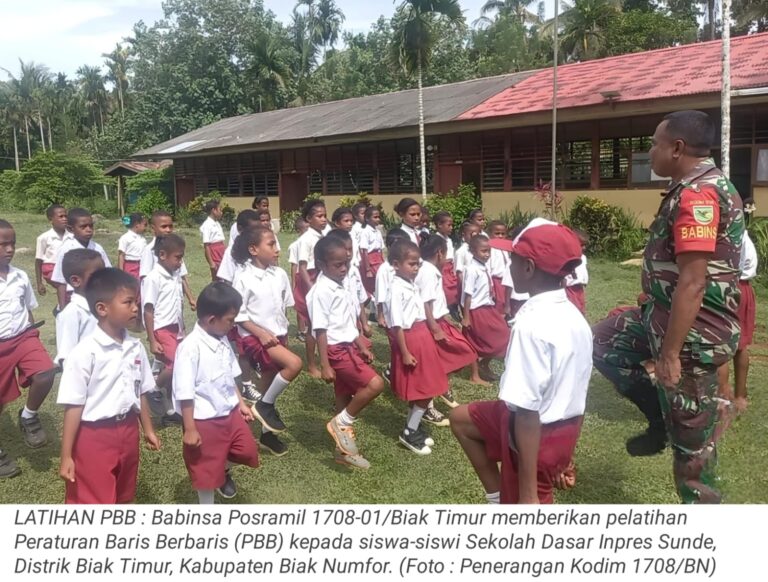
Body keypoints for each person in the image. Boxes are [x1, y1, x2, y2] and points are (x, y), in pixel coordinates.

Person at [592, 110, 744, 504]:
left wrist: (671, 355)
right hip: (661, 320)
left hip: (692, 338)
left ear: (677, 148)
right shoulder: (687, 188)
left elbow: (693, 281)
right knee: (601, 342)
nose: (650, 152)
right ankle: (660, 420)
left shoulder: (700, 195)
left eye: (654, 144)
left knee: (692, 458)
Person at [450, 221, 592, 504]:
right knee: (460, 419)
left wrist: (528, 494)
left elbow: (527, 411)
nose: (508, 265)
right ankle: (498, 497)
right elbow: (575, 392)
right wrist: (565, 452)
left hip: (534, 437)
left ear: (528, 268)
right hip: (562, 430)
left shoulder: (531, 324)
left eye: (512, 258)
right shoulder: (575, 317)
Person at [57, 268, 160, 503]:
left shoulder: (135, 347)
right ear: (102, 308)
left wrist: (148, 429)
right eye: (128, 302)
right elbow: (73, 406)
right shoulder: (85, 353)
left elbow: (141, 390)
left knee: (124, 493)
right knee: (94, 498)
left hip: (128, 430)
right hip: (94, 435)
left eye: (136, 302)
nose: (135, 308)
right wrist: (66, 456)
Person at [173, 282, 259, 503]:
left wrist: (240, 403)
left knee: (247, 450)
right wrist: (190, 429)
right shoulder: (190, 348)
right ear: (212, 320)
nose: (233, 324)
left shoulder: (221, 339)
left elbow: (229, 375)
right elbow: (184, 392)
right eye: (230, 320)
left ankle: (224, 469)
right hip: (205, 419)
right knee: (206, 472)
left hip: (229, 412)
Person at [309, 236, 385, 469]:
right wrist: (324, 365)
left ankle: (343, 451)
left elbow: (345, 323)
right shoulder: (321, 291)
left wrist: (360, 345)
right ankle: (341, 423)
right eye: (338, 265)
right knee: (375, 384)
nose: (344, 269)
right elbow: (320, 330)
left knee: (342, 396)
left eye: (346, 264)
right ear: (321, 265)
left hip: (348, 346)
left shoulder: (340, 284)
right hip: (335, 350)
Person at [232, 226, 302, 457]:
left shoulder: (279, 274)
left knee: (269, 382)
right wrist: (260, 333)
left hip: (277, 336)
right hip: (255, 338)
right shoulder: (243, 277)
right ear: (253, 249)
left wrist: (282, 334)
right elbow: (238, 315)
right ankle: (264, 406)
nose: (277, 249)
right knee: (295, 364)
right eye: (271, 244)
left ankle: (266, 433)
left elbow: (283, 308)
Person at [0, 219, 56, 479]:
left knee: (45, 372)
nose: (10, 249)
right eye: (3, 244)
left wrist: (33, 336)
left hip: (23, 337)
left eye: (12, 243)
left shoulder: (20, 276)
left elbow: (28, 309)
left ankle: (29, 416)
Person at [385, 240, 449, 455]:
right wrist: (404, 352)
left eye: (418, 264)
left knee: (428, 385)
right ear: (396, 264)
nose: (416, 268)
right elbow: (397, 325)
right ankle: (409, 431)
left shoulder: (411, 284)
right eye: (411, 264)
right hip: (411, 339)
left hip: (422, 335)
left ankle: (413, 424)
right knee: (424, 387)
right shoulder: (395, 289)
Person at [417, 235, 487, 391]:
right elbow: (425, 302)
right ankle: (437, 386)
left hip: (439, 321)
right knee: (463, 351)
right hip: (434, 323)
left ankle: (439, 385)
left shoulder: (428, 270)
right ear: (440, 253)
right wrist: (435, 328)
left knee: (461, 352)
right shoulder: (428, 272)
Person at [143, 234, 187, 427]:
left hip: (176, 328)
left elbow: (178, 304)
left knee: (175, 370)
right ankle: (154, 389)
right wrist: (152, 340)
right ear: (162, 255)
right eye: (178, 257)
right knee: (175, 365)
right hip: (162, 328)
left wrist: (182, 329)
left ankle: (172, 411)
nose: (180, 262)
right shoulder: (153, 278)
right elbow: (148, 309)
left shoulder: (175, 275)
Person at [462, 235, 511, 380]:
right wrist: (466, 316)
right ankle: (475, 374)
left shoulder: (484, 266)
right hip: (477, 310)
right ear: (473, 251)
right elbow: (468, 294)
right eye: (483, 251)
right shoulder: (472, 269)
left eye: (489, 251)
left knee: (504, 334)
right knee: (475, 342)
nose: (487, 254)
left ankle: (485, 363)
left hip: (488, 307)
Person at [720, 229, 757, 415]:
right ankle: (740, 397)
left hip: (729, 287)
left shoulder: (729, 235)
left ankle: (722, 398)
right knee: (740, 346)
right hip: (744, 288)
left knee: (719, 344)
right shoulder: (744, 235)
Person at [51, 208, 112, 310]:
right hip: (73, 296)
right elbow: (60, 280)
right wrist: (62, 307)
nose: (88, 229)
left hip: (96, 295)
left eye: (91, 226)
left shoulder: (98, 248)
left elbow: (107, 273)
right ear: (70, 229)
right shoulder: (67, 249)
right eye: (83, 227)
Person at [294, 199, 328, 378]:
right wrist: (312, 290)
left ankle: (324, 358)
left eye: (325, 215)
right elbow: (302, 267)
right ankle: (312, 365)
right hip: (310, 281)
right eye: (319, 216)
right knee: (313, 325)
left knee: (323, 322)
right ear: (308, 219)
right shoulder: (306, 239)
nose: (324, 219)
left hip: (320, 278)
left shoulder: (322, 236)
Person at [54, 249, 104, 367]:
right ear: (76, 281)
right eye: (96, 275)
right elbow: (67, 357)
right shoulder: (72, 313)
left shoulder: (105, 307)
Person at [139, 210, 196, 311]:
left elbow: (182, 276)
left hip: (175, 300)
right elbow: (145, 279)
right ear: (153, 228)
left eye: (170, 226)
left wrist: (191, 298)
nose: (168, 230)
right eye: (164, 226)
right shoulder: (149, 250)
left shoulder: (175, 249)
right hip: (160, 304)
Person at [374, 228, 410, 329]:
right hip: (391, 312)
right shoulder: (384, 269)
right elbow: (380, 293)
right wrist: (380, 316)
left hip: (407, 309)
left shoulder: (408, 266)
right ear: (389, 247)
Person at [217, 209, 261, 285]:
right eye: (252, 230)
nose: (256, 233)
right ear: (240, 228)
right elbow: (227, 281)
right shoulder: (231, 252)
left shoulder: (262, 248)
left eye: (259, 229)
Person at [34, 204, 67, 297]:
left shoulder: (72, 236)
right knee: (63, 286)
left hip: (67, 268)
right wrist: (39, 283)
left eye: (66, 216)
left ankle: (62, 305)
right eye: (61, 216)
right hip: (51, 269)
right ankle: (62, 304)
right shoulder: (44, 238)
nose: (64, 219)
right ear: (50, 219)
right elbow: (38, 260)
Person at [287, 216, 310, 341]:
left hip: (310, 274)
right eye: (305, 229)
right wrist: (294, 284)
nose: (308, 231)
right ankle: (301, 330)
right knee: (301, 304)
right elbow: (294, 265)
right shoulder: (295, 245)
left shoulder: (312, 241)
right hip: (300, 276)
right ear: (298, 230)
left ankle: (309, 327)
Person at [433, 211, 460, 313]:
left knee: (455, 289)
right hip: (442, 268)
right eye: (449, 225)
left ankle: (454, 308)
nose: (451, 228)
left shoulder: (449, 240)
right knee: (446, 290)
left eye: (452, 225)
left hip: (450, 268)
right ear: (440, 225)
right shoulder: (436, 239)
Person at [359, 206, 385, 297]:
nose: (378, 219)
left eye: (378, 217)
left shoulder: (378, 232)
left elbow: (381, 250)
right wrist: (368, 270)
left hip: (379, 259)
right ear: (367, 218)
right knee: (373, 284)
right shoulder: (365, 232)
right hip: (370, 261)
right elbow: (365, 251)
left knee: (381, 282)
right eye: (375, 217)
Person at [486, 220, 511, 316]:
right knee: (499, 303)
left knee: (506, 302)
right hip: (496, 281)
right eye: (497, 233)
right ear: (490, 234)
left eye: (503, 234)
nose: (500, 236)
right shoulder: (490, 249)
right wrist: (491, 284)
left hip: (506, 281)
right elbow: (488, 268)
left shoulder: (505, 248)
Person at [200, 200, 226, 281]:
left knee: (224, 276)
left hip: (221, 251)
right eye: (220, 210)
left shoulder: (217, 223)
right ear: (214, 210)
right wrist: (211, 263)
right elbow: (206, 245)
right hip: (215, 253)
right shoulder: (207, 225)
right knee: (217, 277)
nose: (221, 212)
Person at [564, 230, 589, 315]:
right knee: (574, 308)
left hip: (579, 287)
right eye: (581, 245)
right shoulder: (568, 257)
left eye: (585, 245)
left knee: (581, 306)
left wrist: (585, 280)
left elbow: (583, 271)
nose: (584, 248)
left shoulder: (583, 257)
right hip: (570, 287)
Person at [118, 212, 147, 283]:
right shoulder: (125, 238)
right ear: (137, 224)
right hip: (130, 266)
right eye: (144, 225)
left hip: (141, 266)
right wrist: (121, 273)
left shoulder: (143, 239)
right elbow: (121, 255)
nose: (145, 228)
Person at [454, 221, 481, 293]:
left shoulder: (478, 250)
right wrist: (465, 288)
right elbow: (459, 272)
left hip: (477, 285)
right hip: (466, 287)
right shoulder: (461, 251)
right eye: (472, 234)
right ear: (464, 235)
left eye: (478, 234)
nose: (475, 237)